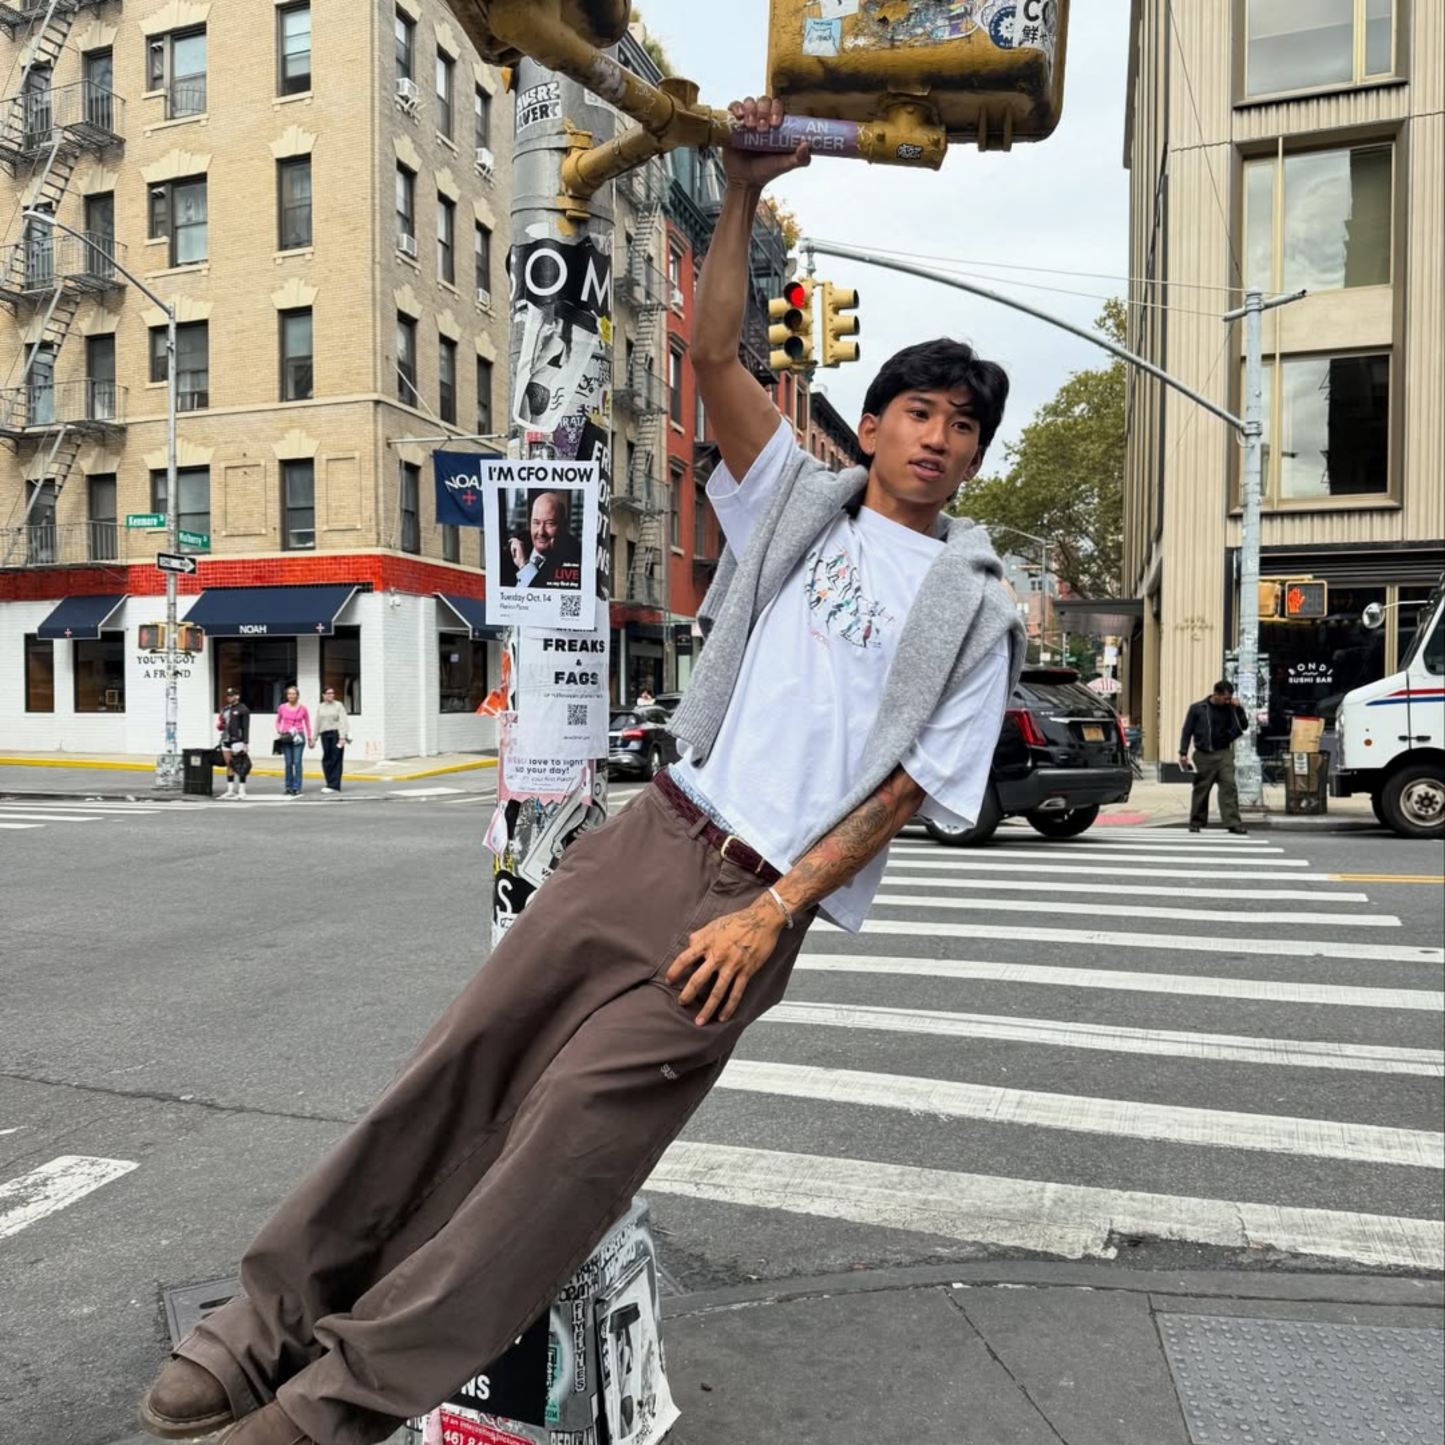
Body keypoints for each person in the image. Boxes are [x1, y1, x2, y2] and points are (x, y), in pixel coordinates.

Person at [137, 95, 1023, 1445]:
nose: (935, 435)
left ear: (975, 453)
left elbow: (908, 790)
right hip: (647, 837)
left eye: (963, 424)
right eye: (915, 407)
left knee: (555, 1163)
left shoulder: (977, 605)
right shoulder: (802, 494)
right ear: (881, 418)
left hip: (743, 906)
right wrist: (736, 191)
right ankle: (262, 1324)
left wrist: (769, 915)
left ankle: (332, 1406)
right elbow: (715, 347)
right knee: (454, 1074)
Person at [1179, 679, 1251, 833]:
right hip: (1203, 754)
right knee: (1202, 789)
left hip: (1223, 753)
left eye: (1229, 698)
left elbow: (1244, 725)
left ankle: (1232, 823)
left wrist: (1239, 709)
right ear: (1216, 694)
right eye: (1225, 698)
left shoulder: (1230, 708)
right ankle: (1196, 822)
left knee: (1229, 786)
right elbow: (1187, 731)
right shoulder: (1198, 708)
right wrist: (1183, 753)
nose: (1227, 701)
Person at [501, 489, 583, 589]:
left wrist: (524, 566)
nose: (541, 532)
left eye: (549, 523)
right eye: (536, 522)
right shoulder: (520, 542)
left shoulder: (574, 557)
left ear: (564, 526)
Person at [275, 686, 313, 799]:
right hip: (286, 736)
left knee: (297, 762)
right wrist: (279, 730)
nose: (291, 696)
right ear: (287, 696)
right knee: (288, 763)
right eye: (289, 694)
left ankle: (297, 787)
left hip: (298, 737)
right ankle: (288, 787)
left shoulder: (303, 709)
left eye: (293, 694)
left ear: (297, 695)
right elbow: (278, 721)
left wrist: (310, 738)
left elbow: (307, 723)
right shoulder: (282, 707)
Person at [314, 687, 351, 795]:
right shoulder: (320, 707)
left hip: (336, 734)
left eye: (332, 693)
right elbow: (317, 722)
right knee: (326, 759)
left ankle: (334, 785)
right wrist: (314, 737)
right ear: (323, 695)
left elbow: (343, 721)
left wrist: (342, 737)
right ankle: (329, 783)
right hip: (325, 734)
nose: (331, 695)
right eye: (328, 693)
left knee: (336, 759)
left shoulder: (338, 705)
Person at [218, 688, 251, 800]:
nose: (229, 697)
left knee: (240, 765)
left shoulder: (243, 709)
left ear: (237, 696)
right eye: (228, 695)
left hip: (238, 740)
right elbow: (222, 723)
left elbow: (246, 727)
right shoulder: (225, 709)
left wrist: (246, 742)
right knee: (229, 765)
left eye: (232, 695)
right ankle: (230, 790)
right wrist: (220, 725)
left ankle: (242, 790)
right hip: (226, 739)